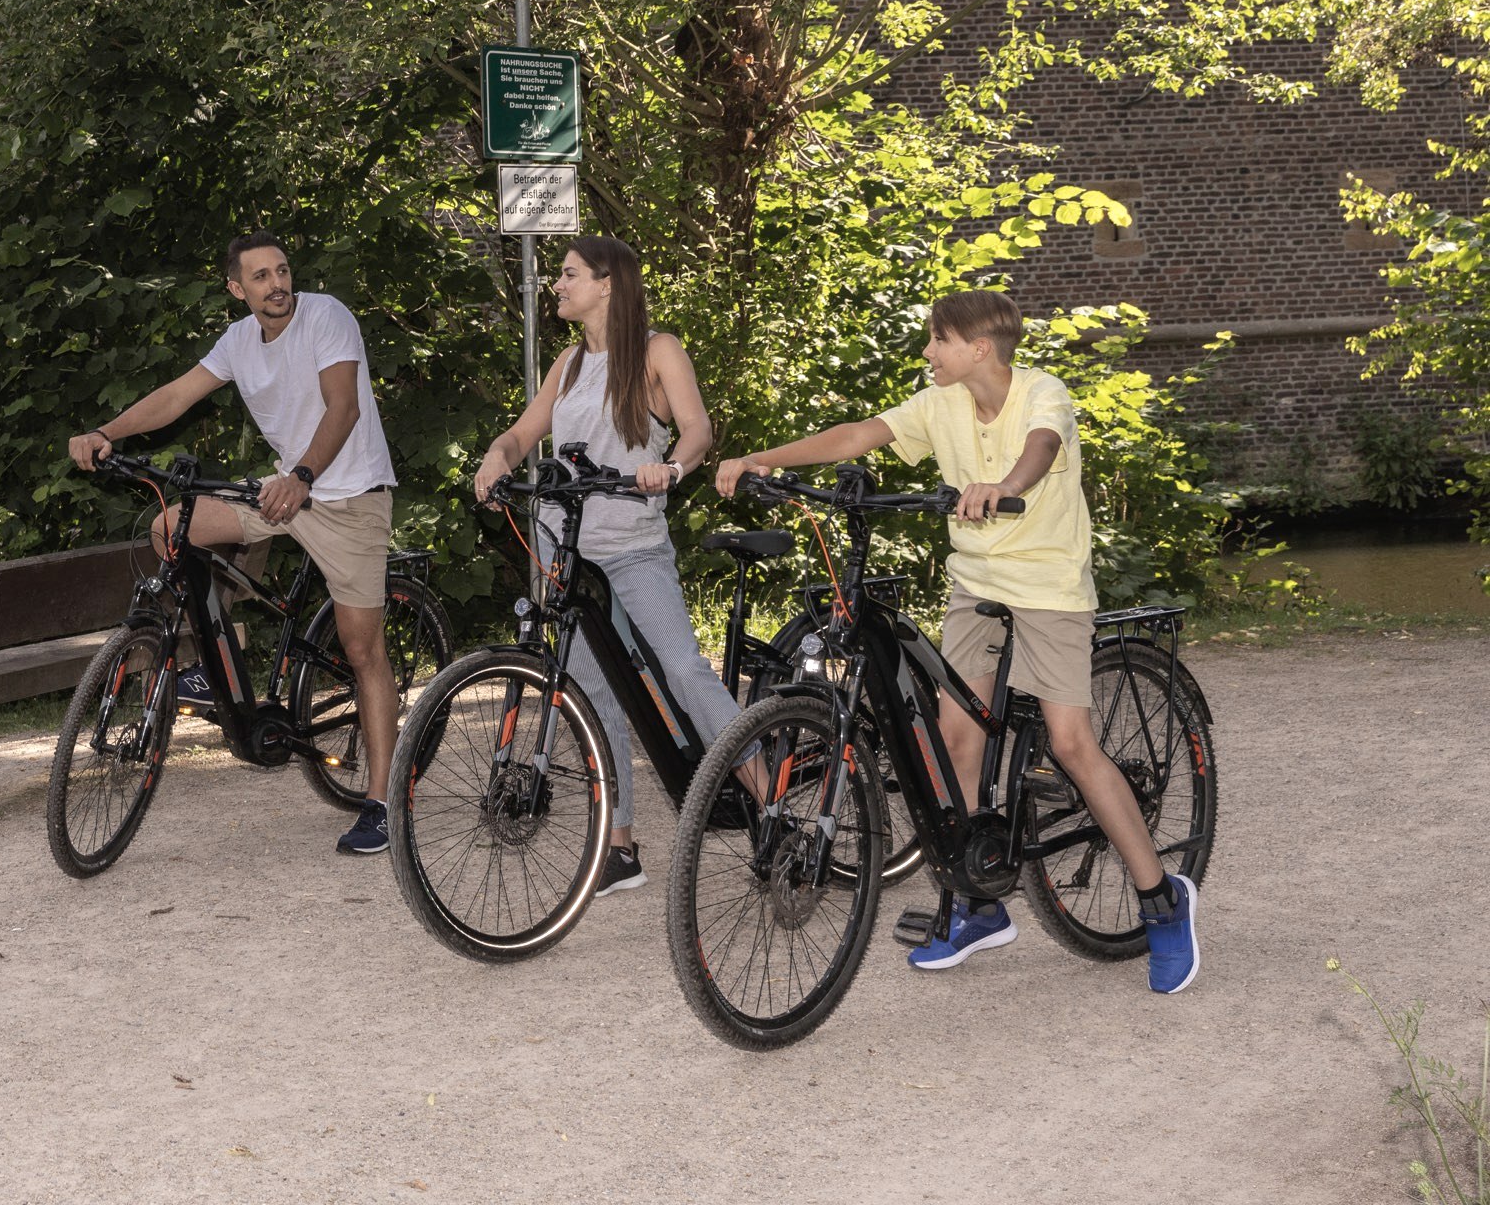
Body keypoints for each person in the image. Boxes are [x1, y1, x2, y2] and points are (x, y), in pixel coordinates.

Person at [713, 288, 1200, 993]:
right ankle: (979, 902)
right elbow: (858, 435)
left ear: (978, 348)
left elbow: (1041, 449)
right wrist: (765, 458)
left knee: (1070, 743)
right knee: (955, 739)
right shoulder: (939, 402)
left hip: (1048, 585)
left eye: (938, 339)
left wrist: (1003, 485)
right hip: (977, 583)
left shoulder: (1042, 393)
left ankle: (1162, 899)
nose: (927, 351)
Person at [69, 231, 402, 856]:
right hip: (283, 491)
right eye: (261, 276)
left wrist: (302, 477)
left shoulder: (326, 317)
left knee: (363, 651)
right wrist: (106, 432)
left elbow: (344, 408)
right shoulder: (238, 341)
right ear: (236, 288)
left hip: (349, 497)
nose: (277, 285)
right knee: (172, 527)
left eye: (282, 271)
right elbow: (176, 396)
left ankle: (383, 804)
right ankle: (212, 664)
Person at [468, 235, 731, 894]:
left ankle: (765, 788)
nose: (557, 284)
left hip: (632, 546)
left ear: (608, 283)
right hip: (568, 551)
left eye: (569, 274)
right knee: (593, 694)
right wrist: (496, 457)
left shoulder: (657, 351)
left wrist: (670, 468)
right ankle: (620, 846)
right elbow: (521, 434)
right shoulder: (569, 364)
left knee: (681, 669)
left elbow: (698, 431)